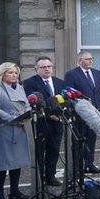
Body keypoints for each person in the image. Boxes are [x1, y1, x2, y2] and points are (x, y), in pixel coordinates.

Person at [0, 62, 32, 199]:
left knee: (16, 159)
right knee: (1, 161)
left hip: (20, 126)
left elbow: (26, 104)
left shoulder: (20, 87)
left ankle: (14, 190)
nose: (14, 75)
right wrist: (14, 120)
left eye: (15, 73)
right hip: (4, 128)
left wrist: (25, 116)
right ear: (2, 74)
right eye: (10, 73)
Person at [22, 56, 64, 187]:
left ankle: (50, 176)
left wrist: (60, 114)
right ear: (36, 69)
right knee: (40, 152)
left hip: (57, 123)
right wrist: (49, 114)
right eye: (43, 67)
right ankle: (39, 178)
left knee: (54, 150)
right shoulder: (29, 82)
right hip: (40, 123)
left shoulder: (59, 82)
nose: (47, 69)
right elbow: (32, 101)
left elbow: (62, 100)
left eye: (49, 66)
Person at [64, 51, 100, 174]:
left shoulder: (97, 73)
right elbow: (69, 94)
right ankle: (76, 167)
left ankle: (89, 164)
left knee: (91, 139)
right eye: (87, 59)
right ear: (80, 60)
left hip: (95, 112)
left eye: (91, 59)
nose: (90, 61)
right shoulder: (71, 74)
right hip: (80, 113)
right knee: (78, 140)